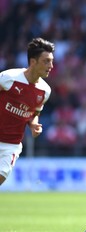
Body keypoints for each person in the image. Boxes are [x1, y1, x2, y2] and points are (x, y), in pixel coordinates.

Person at [0, 37, 55, 185]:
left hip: (11, 144)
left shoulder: (45, 91)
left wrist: (33, 124)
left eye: (51, 61)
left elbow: (34, 113)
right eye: (46, 61)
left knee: (1, 177)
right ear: (33, 62)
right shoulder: (8, 78)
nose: (51, 66)